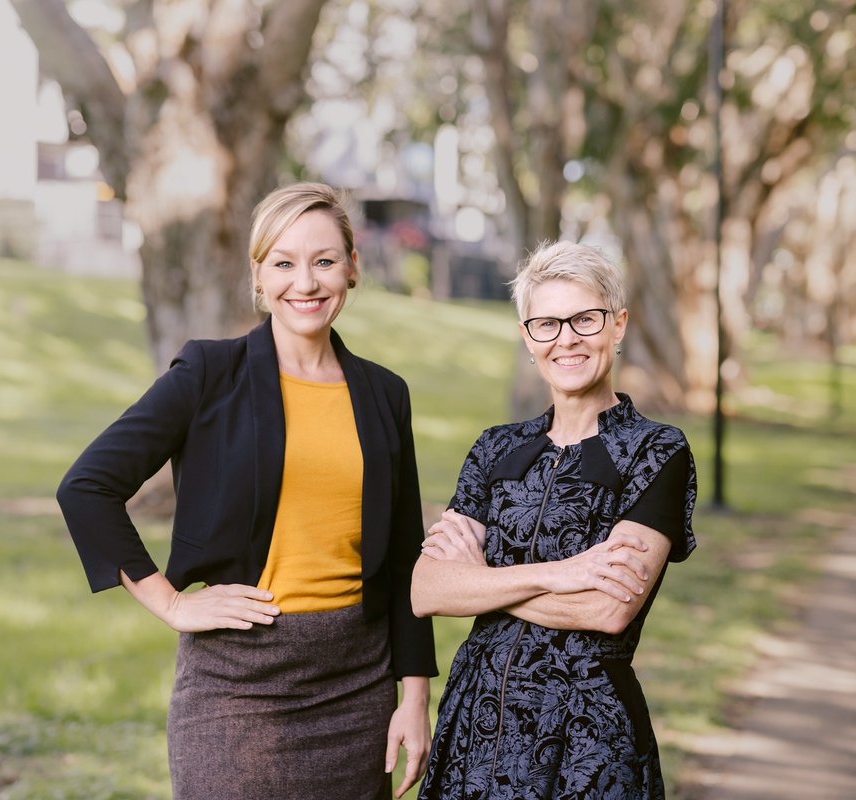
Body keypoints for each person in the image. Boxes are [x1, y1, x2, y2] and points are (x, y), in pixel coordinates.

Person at [56, 182, 437, 799]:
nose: (305, 282)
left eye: (324, 261)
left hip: (359, 689)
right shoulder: (210, 372)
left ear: (352, 267)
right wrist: (173, 605)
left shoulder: (384, 393)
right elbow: (88, 488)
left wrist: (414, 696)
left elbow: (403, 557)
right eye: (283, 263)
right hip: (235, 688)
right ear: (258, 276)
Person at [412, 240, 697, 799]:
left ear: (617, 326)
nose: (565, 338)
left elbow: (608, 608)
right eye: (546, 323)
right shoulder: (496, 448)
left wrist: (480, 582)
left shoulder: (656, 451)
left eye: (584, 319)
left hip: (587, 740)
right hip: (475, 728)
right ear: (527, 337)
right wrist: (560, 573)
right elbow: (426, 590)